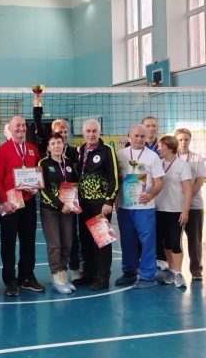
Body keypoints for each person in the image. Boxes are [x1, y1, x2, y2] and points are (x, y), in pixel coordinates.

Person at [0, 116, 45, 296]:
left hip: (28, 203)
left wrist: (35, 187)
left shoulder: (32, 149)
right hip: (9, 204)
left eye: (23, 125)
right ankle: (10, 280)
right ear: (10, 128)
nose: (21, 128)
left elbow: (37, 174)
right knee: (8, 243)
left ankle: (27, 277)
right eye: (17, 126)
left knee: (28, 242)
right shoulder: (1, 151)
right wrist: (3, 202)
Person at [115, 124, 164, 289]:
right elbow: (113, 179)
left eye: (142, 136)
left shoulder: (152, 156)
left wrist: (150, 195)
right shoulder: (120, 155)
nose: (139, 139)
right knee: (127, 241)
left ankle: (147, 276)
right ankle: (129, 272)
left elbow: (159, 182)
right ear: (129, 137)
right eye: (136, 136)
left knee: (147, 242)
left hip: (145, 207)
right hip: (124, 207)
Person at [74, 119, 118, 291]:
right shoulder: (80, 150)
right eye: (88, 131)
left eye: (94, 131)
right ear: (83, 133)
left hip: (100, 204)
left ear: (99, 132)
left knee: (102, 241)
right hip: (83, 204)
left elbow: (114, 178)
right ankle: (89, 274)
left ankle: (102, 278)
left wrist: (108, 201)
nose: (91, 134)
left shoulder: (107, 150)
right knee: (85, 241)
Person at [39, 132, 80, 294]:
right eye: (53, 143)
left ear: (64, 144)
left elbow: (75, 185)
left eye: (59, 142)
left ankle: (62, 273)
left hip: (68, 210)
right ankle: (56, 275)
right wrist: (59, 204)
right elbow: (42, 189)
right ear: (48, 147)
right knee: (55, 244)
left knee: (67, 242)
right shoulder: (43, 163)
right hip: (50, 210)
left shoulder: (69, 163)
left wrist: (74, 203)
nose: (56, 146)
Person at [154, 135, 192, 288]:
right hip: (159, 209)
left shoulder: (182, 165)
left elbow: (188, 190)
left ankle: (178, 273)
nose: (158, 148)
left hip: (176, 210)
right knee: (166, 243)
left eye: (161, 146)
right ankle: (171, 270)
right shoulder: (159, 163)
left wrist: (185, 211)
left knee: (175, 242)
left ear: (170, 148)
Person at [174, 128, 206, 281]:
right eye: (180, 139)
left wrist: (187, 199)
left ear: (190, 140)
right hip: (174, 206)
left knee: (195, 240)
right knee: (174, 240)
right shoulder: (170, 158)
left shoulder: (196, 158)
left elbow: (200, 181)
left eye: (186, 139)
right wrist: (179, 200)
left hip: (194, 206)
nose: (183, 142)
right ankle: (174, 270)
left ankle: (196, 270)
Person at [141, 116, 167, 272]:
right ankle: (143, 259)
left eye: (153, 125)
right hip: (141, 197)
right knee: (144, 231)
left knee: (161, 228)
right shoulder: (136, 145)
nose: (151, 128)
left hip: (161, 195)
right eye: (148, 125)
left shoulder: (164, 146)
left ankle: (162, 258)